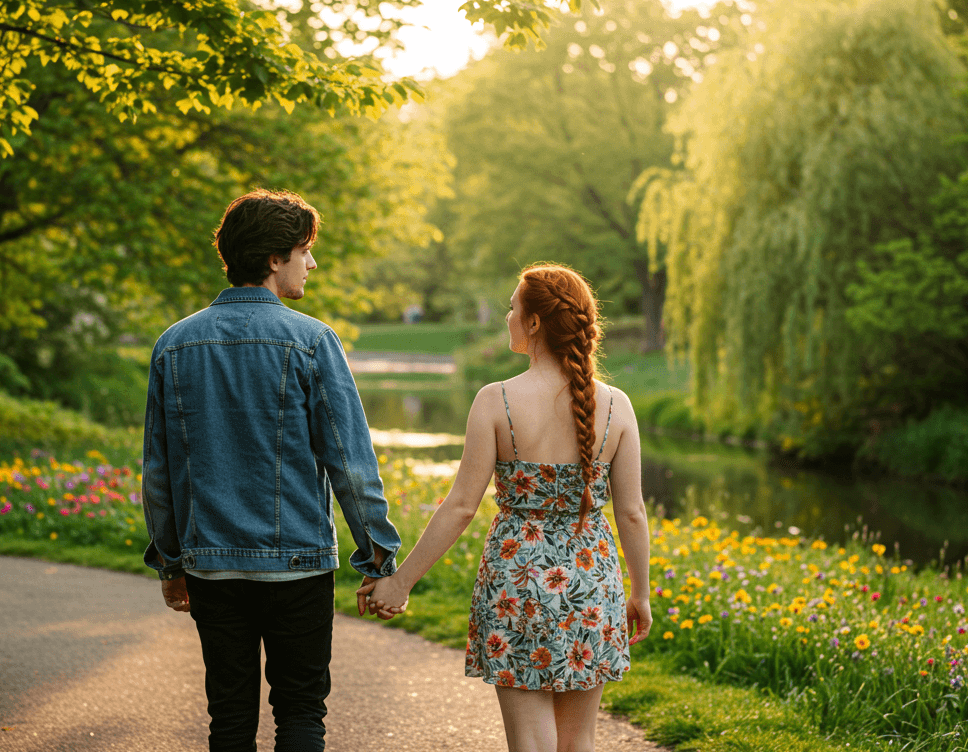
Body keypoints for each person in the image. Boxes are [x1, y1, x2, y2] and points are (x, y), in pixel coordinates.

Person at [141, 189, 403, 752]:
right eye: (304, 251)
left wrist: (171, 562)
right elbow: (350, 464)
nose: (313, 263)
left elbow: (160, 473)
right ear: (273, 259)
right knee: (301, 712)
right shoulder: (312, 341)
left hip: (211, 566)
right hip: (300, 565)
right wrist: (378, 557)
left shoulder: (173, 346)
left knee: (229, 718)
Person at [364, 263, 653, 752]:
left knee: (529, 743)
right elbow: (631, 513)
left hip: (515, 579)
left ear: (535, 322)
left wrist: (400, 581)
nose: (507, 316)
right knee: (578, 742)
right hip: (591, 581)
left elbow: (460, 507)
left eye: (513, 307)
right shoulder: (617, 405)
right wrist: (640, 595)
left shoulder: (495, 400)